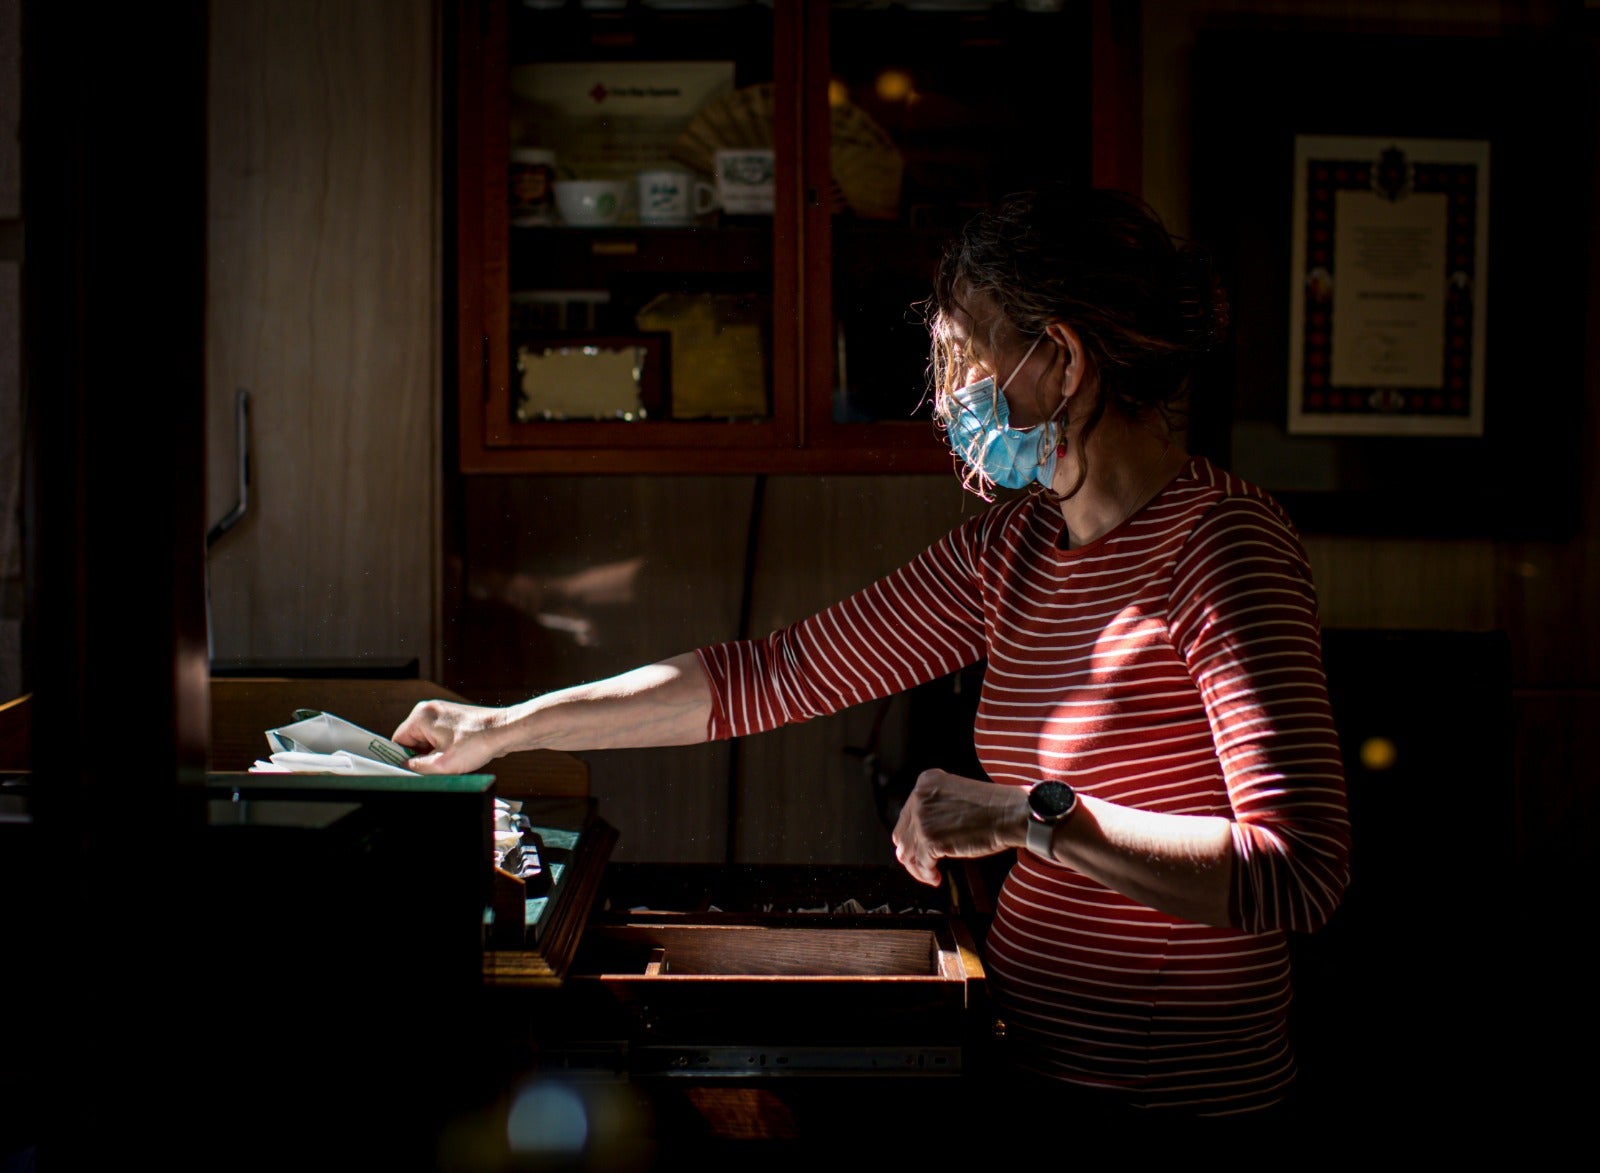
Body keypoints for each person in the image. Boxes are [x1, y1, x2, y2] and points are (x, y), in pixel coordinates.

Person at [394, 185, 1350, 1130]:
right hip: (1024, 1061)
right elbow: (771, 674)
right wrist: (508, 726)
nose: (952, 402)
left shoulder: (1224, 546)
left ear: (1059, 358)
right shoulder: (1009, 550)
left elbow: (1297, 873)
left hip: (1177, 1107)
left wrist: (1027, 814)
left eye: (971, 360)